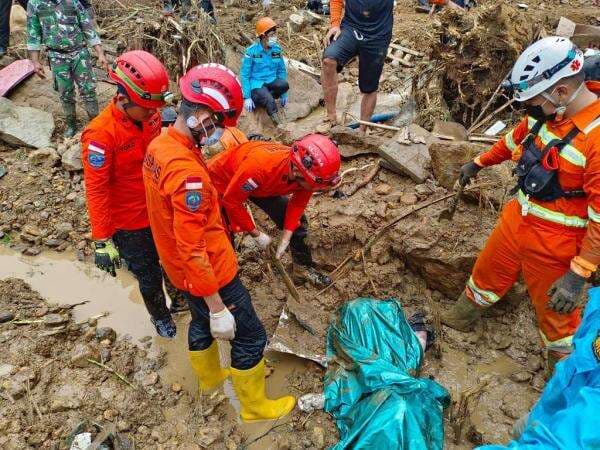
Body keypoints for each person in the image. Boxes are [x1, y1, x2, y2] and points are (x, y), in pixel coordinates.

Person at [142, 63, 295, 422]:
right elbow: (193, 246)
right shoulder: (187, 174)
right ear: (200, 115)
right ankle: (256, 408)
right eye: (220, 122)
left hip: (181, 272)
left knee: (198, 324)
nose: (221, 131)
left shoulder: (160, 145)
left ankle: (210, 379)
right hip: (210, 273)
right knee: (249, 337)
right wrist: (217, 306)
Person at [441, 37, 600, 371]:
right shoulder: (547, 115)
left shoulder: (595, 139)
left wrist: (578, 275)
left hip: (556, 245)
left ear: (560, 92)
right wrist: (478, 163)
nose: (528, 108)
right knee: (484, 276)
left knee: (557, 321)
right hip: (516, 220)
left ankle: (558, 391)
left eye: (533, 100)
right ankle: (455, 323)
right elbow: (513, 139)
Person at [81, 50, 180, 338]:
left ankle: (181, 298)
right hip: (130, 222)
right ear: (123, 99)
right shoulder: (100, 135)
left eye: (155, 109)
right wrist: (101, 239)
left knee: (173, 257)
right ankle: (160, 317)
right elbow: (96, 189)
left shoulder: (150, 115)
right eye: (147, 109)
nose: (153, 114)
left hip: (159, 206)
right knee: (148, 276)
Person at [207, 135, 341, 287]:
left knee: (298, 224)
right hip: (220, 182)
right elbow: (231, 201)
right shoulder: (260, 167)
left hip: (261, 186)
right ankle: (223, 286)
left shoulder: (308, 174)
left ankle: (302, 269)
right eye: (316, 186)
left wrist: (287, 234)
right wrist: (256, 234)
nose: (317, 190)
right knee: (221, 237)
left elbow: (297, 204)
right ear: (298, 172)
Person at [26, 0, 108, 138]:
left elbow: (87, 26)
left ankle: (95, 123)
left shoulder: (73, 1)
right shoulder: (34, 3)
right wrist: (35, 61)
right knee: (65, 93)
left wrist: (100, 53)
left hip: (79, 53)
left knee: (88, 89)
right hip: (56, 56)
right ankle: (71, 125)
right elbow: (33, 32)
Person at [319, 0, 394, 134]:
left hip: (378, 35)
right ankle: (331, 118)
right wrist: (335, 24)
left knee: (369, 86)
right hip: (351, 29)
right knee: (329, 60)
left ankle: (361, 132)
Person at [240, 17, 289, 125]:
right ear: (263, 36)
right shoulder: (251, 51)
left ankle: (265, 96)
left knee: (284, 85)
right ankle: (279, 126)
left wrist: (284, 94)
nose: (274, 37)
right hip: (256, 84)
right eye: (271, 35)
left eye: (275, 34)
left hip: (270, 80)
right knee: (270, 101)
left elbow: (281, 70)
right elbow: (244, 74)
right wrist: (247, 97)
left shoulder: (276, 49)